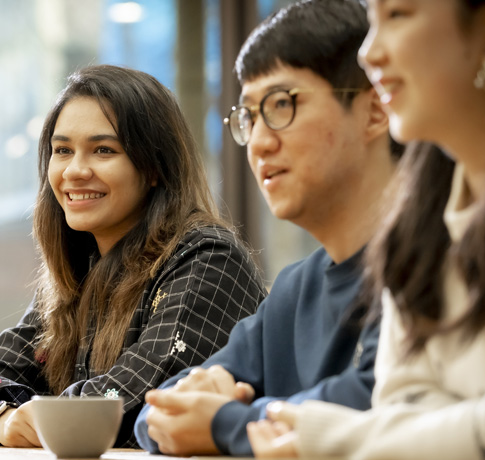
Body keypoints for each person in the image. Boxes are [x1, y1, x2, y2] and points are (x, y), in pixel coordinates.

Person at [0, 65, 266, 448]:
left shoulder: (207, 259)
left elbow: (120, 407)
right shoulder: (78, 273)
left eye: (104, 150)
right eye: (63, 150)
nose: (75, 170)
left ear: (153, 167)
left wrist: (23, 415)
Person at [246, 0, 485, 458]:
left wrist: (325, 437)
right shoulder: (417, 225)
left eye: (398, 15)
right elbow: (401, 404)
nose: (369, 54)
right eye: (371, 21)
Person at [134, 0, 401, 456]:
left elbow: (379, 405)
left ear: (374, 110)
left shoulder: (432, 255)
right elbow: (155, 413)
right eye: (249, 117)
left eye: (281, 104)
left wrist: (225, 423)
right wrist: (201, 402)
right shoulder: (296, 289)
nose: (258, 141)